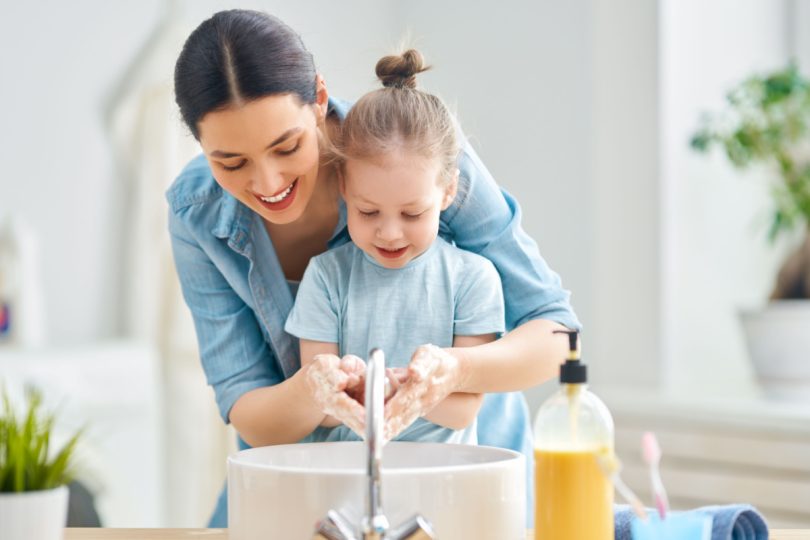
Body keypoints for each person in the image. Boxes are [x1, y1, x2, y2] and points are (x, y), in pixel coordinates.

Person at [168, 9, 580, 527]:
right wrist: (311, 390)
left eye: (287, 146)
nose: (267, 182)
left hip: (464, 475)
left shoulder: (418, 154)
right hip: (306, 480)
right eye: (231, 162)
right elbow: (246, 405)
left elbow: (557, 334)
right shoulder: (197, 213)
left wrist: (456, 371)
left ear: (319, 98)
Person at [285, 49, 504, 446]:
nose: (389, 233)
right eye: (368, 212)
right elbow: (323, 406)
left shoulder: (473, 279)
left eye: (412, 214)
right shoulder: (327, 277)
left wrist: (388, 386)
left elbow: (462, 410)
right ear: (344, 188)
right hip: (347, 472)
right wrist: (353, 384)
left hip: (443, 475)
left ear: (448, 190)